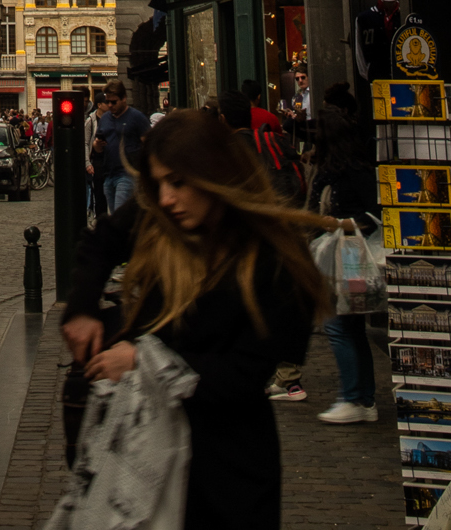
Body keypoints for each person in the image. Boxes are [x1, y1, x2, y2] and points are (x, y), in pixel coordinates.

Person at [61, 109, 327, 530]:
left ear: (215, 175)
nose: (166, 198)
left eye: (179, 182)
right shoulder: (158, 218)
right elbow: (100, 243)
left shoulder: (275, 264)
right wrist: (81, 309)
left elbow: (244, 375)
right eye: (159, 183)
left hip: (225, 468)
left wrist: (143, 364)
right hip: (144, 453)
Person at [309, 105, 380, 425]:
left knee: (339, 324)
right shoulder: (353, 167)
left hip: (347, 255)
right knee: (351, 325)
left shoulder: (344, 171)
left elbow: (372, 215)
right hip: (345, 253)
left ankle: (354, 397)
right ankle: (362, 398)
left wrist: (339, 223)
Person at [91, 82, 150, 217]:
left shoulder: (136, 117)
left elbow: (148, 143)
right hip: (108, 173)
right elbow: (97, 147)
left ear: (124, 98)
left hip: (127, 173)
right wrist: (97, 146)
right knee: (115, 216)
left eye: (114, 102)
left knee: (119, 215)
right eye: (108, 102)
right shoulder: (105, 118)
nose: (110, 105)